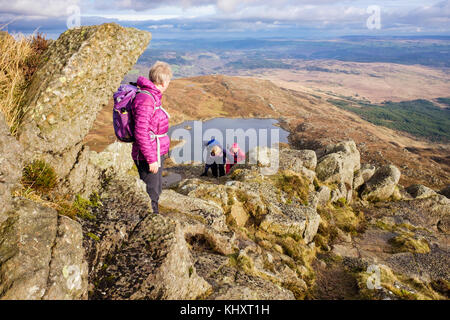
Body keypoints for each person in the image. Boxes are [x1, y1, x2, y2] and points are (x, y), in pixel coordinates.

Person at [131, 61, 172, 215]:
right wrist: (151, 159)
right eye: (168, 81)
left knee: (156, 189)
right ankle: (150, 222)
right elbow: (141, 132)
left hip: (155, 152)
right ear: (163, 82)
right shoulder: (146, 100)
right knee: (151, 192)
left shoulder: (152, 96)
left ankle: (152, 217)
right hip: (147, 156)